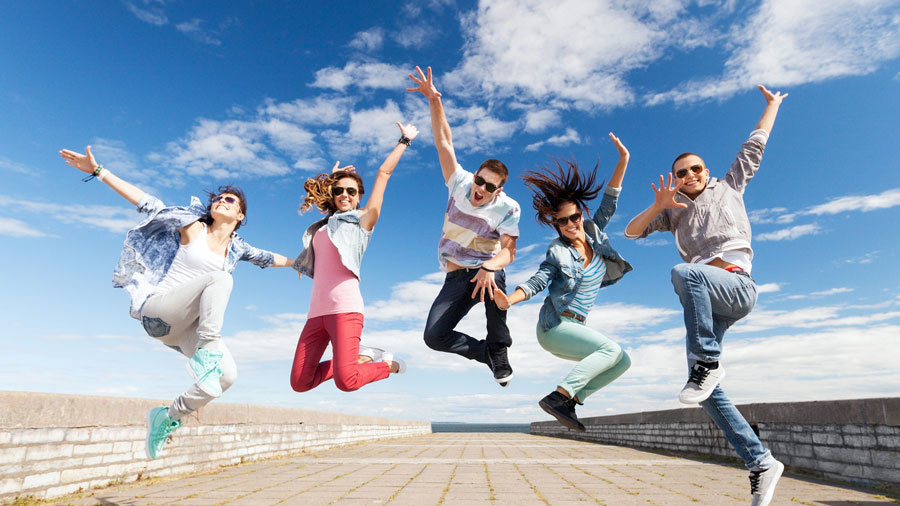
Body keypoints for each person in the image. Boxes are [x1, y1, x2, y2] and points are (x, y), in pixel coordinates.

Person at [58, 146, 296, 460]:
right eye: (219, 197)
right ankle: (207, 353)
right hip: (157, 312)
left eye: (230, 200)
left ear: (241, 216)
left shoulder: (237, 249)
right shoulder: (192, 227)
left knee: (225, 378)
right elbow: (147, 202)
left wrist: (300, 264)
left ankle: (166, 417)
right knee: (221, 280)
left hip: (184, 329)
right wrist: (99, 171)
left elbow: (270, 258)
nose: (221, 200)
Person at [623, 85, 788, 506]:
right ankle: (761, 462)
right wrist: (658, 204)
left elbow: (755, 146)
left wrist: (771, 106)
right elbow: (631, 232)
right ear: (676, 181)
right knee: (703, 391)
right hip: (707, 301)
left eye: (695, 169)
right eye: (681, 174)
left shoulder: (729, 186)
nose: (689, 176)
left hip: (735, 284)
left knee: (684, 273)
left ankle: (708, 361)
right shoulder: (673, 211)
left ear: (705, 170)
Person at [494, 133, 633, 431]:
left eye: (574, 217)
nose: (571, 224)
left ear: (581, 214)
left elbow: (610, 199)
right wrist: (509, 299)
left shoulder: (594, 233)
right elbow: (539, 280)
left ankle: (570, 400)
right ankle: (559, 395)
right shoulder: (557, 251)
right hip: (555, 327)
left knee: (622, 361)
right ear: (555, 224)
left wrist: (623, 160)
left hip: (576, 328)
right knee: (609, 350)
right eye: (563, 221)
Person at [407, 66, 521, 386]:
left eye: (488, 187)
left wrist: (488, 266)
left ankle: (498, 349)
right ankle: (483, 352)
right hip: (455, 278)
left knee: (495, 275)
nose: (480, 189)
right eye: (480, 180)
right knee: (434, 336)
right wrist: (433, 100)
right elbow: (444, 140)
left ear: (498, 190)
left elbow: (509, 252)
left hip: (484, 272)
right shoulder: (460, 182)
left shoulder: (508, 208)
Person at [289, 122, 418, 393]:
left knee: (346, 382)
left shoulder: (363, 222)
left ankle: (388, 366)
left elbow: (383, 173)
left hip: (346, 309)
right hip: (316, 313)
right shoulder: (324, 226)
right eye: (339, 191)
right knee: (300, 382)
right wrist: (333, 178)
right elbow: (325, 202)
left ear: (359, 197)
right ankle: (358, 357)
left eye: (351, 191)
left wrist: (404, 140)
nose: (344, 195)